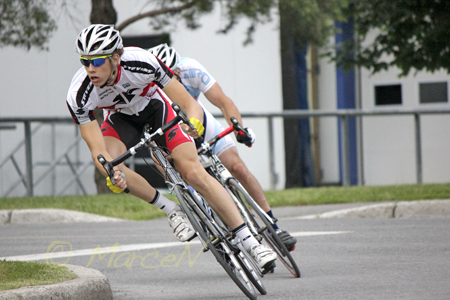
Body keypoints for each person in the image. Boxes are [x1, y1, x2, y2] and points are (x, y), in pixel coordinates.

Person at [66, 24, 276, 271]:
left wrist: (194, 121)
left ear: (115, 58)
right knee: (110, 164)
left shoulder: (142, 61)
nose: (90, 69)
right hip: (120, 118)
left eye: (97, 61)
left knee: (193, 172)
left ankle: (250, 242)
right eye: (84, 61)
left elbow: (186, 101)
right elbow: (96, 148)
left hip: (155, 107)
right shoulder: (78, 94)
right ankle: (171, 209)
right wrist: (111, 174)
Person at [149, 43, 297, 251]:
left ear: (180, 68)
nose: (173, 79)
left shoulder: (192, 69)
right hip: (172, 130)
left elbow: (224, 102)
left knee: (236, 167)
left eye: (175, 74)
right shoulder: (150, 89)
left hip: (199, 122)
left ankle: (273, 224)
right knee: (189, 179)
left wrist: (240, 130)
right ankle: (210, 224)